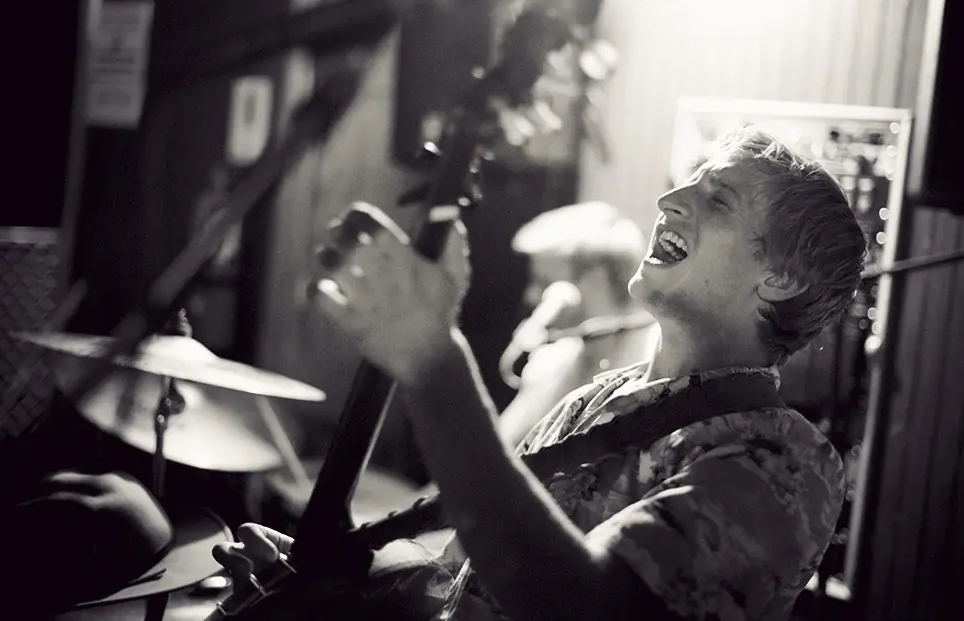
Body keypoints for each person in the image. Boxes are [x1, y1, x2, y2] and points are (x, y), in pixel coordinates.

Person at [213, 127, 867, 620]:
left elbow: (580, 603)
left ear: (781, 278)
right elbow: (459, 577)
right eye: (685, 182)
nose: (668, 199)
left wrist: (433, 359)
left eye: (717, 198)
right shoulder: (595, 399)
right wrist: (338, 581)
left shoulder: (787, 459)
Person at [497, 200, 659, 446]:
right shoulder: (550, 363)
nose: (531, 295)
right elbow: (501, 449)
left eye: (543, 281)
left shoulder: (656, 360)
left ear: (596, 278)